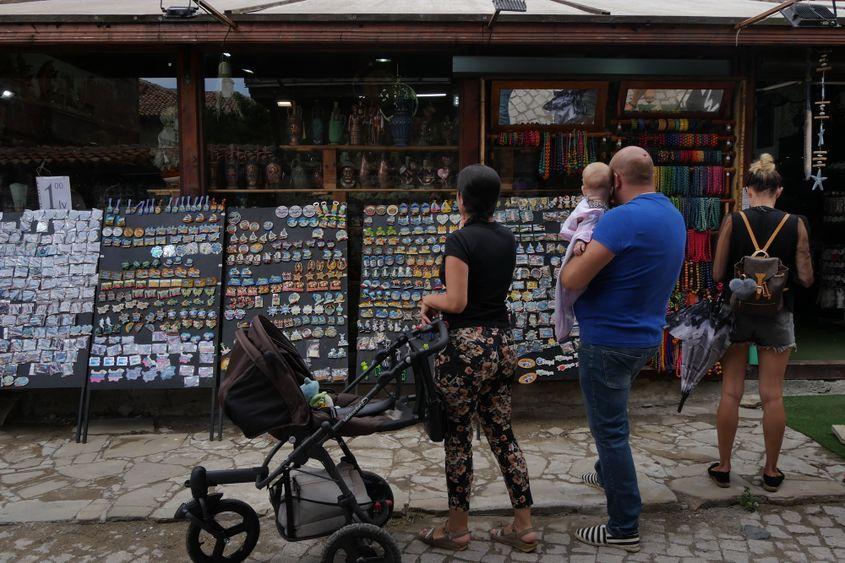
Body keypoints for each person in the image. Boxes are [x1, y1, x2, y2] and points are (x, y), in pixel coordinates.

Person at [561, 147, 685, 553]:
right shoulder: (672, 214)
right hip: (645, 336)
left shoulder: (619, 220)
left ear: (615, 180)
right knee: (614, 419)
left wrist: (570, 258)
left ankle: (623, 525)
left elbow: (573, 278)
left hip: (608, 340)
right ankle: (605, 472)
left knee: (610, 431)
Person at [416, 164, 537, 553]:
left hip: (465, 350)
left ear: (461, 200)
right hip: (502, 345)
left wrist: (427, 300)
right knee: (503, 435)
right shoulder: (507, 238)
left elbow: (456, 301)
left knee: (458, 438)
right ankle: (524, 526)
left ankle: (457, 528)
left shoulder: (459, 240)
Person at [709, 154, 814, 492]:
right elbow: (806, 276)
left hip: (737, 312)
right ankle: (771, 470)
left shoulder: (733, 220)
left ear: (748, 189)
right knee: (772, 395)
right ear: (778, 190)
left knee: (731, 391)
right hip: (778, 313)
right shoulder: (795, 223)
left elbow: (716, 272)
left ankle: (724, 466)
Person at [554, 162, 612, 341]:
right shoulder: (598, 206)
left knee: (567, 296)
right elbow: (588, 224)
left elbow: (587, 224)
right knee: (569, 295)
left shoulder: (590, 204)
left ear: (583, 188)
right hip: (587, 252)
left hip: (585, 253)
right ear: (611, 188)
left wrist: (580, 239)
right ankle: (564, 325)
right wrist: (580, 239)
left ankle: (563, 325)